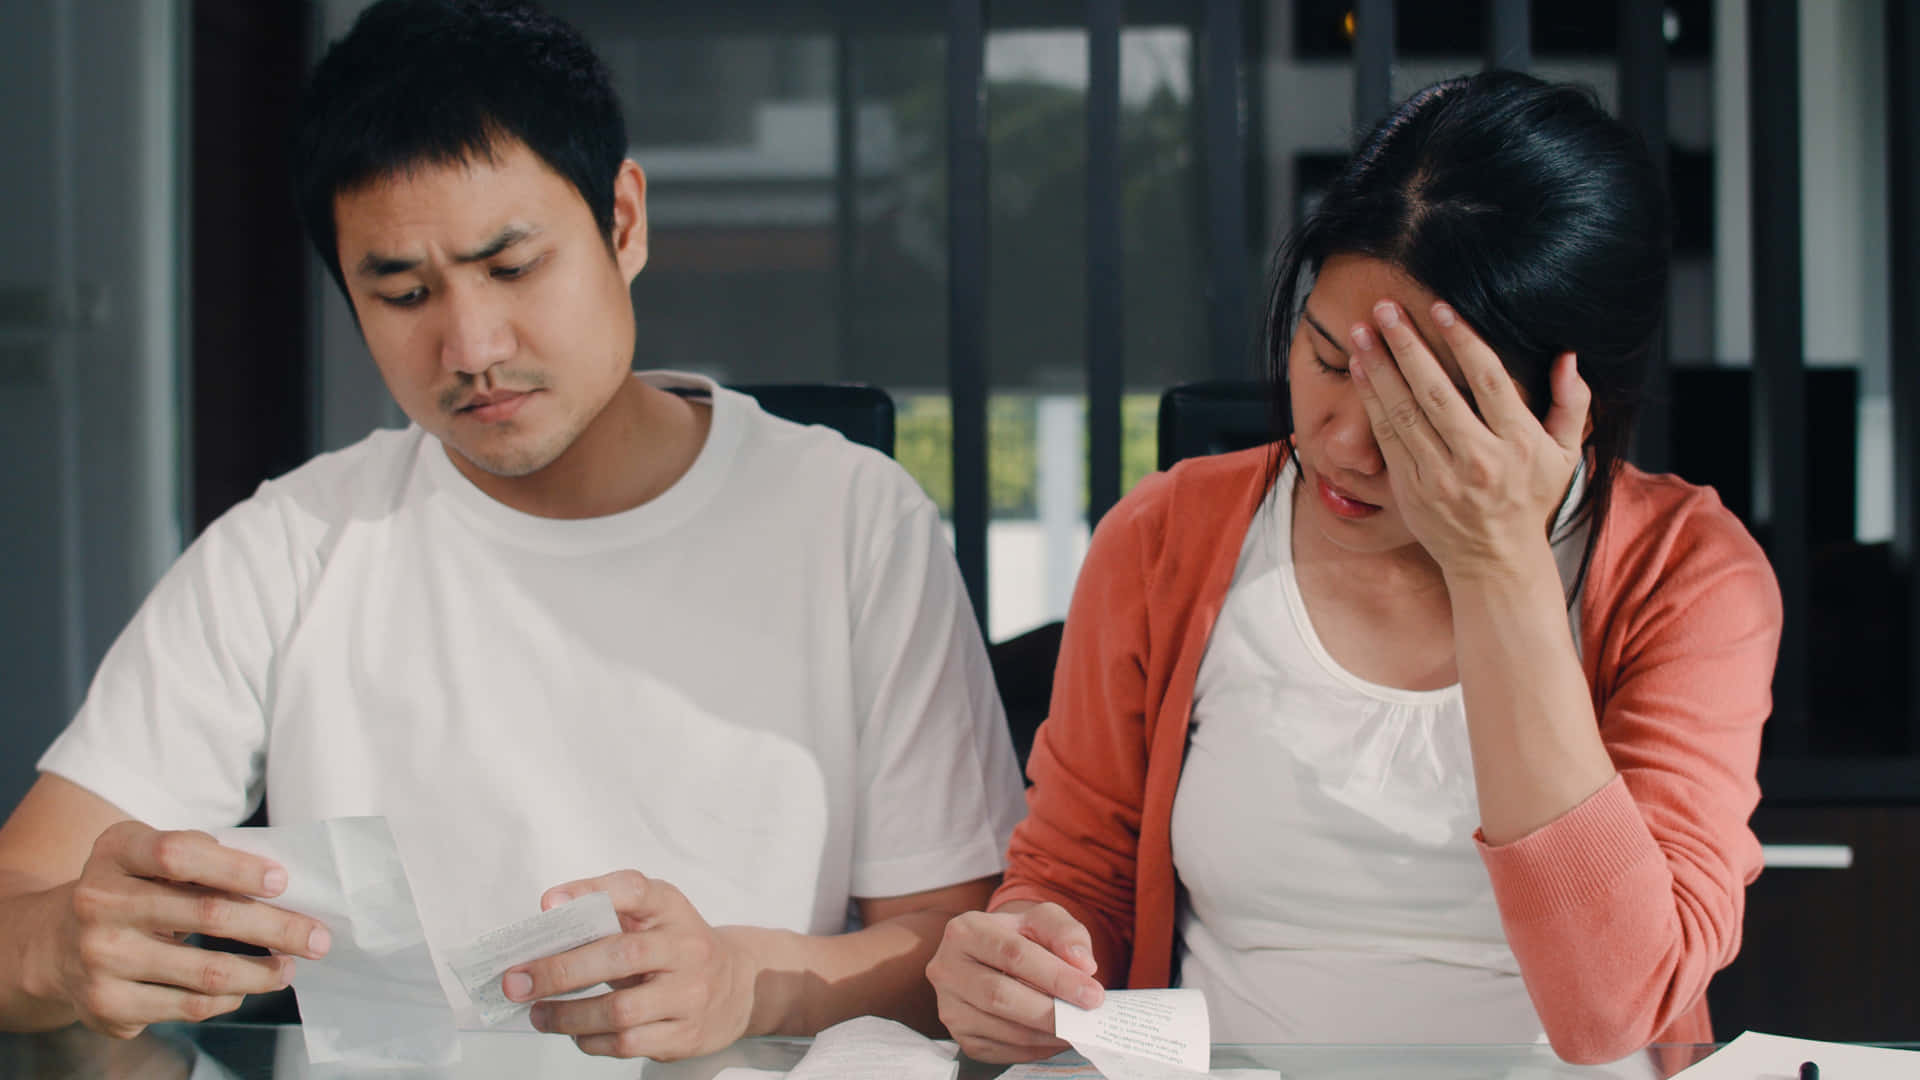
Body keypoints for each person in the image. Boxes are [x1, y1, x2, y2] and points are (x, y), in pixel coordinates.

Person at [0, 0, 1026, 1061]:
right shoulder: (294, 545)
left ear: (623, 222)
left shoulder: (850, 521)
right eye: (402, 293)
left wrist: (748, 983)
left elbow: (962, 952)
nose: (471, 345)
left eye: (512, 266)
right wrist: (60, 948)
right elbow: (18, 902)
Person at [927, 71, 1782, 1066]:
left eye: (1426, 407)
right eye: (1329, 361)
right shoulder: (1166, 537)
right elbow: (1079, 873)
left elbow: (1615, 1008)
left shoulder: (1687, 574)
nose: (1344, 444)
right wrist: (1031, 951)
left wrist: (1500, 565)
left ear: (1566, 398)